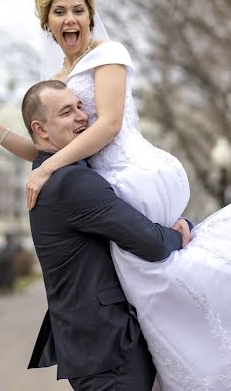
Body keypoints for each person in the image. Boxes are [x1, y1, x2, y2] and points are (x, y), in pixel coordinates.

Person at [0, 0, 231, 390]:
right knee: (151, 288)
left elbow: (109, 125)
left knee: (162, 262)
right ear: (47, 22)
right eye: (60, 11)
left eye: (78, 11)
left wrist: (48, 169)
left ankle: (225, 330)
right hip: (97, 184)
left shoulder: (109, 54)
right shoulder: (58, 81)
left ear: (90, 16)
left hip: (131, 173)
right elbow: (40, 144)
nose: (70, 19)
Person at [24, 79, 189, 390]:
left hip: (94, 350)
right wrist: (181, 230)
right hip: (108, 352)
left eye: (80, 107)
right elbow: (151, 243)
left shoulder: (51, 175)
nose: (82, 117)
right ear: (41, 130)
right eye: (66, 112)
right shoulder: (72, 183)